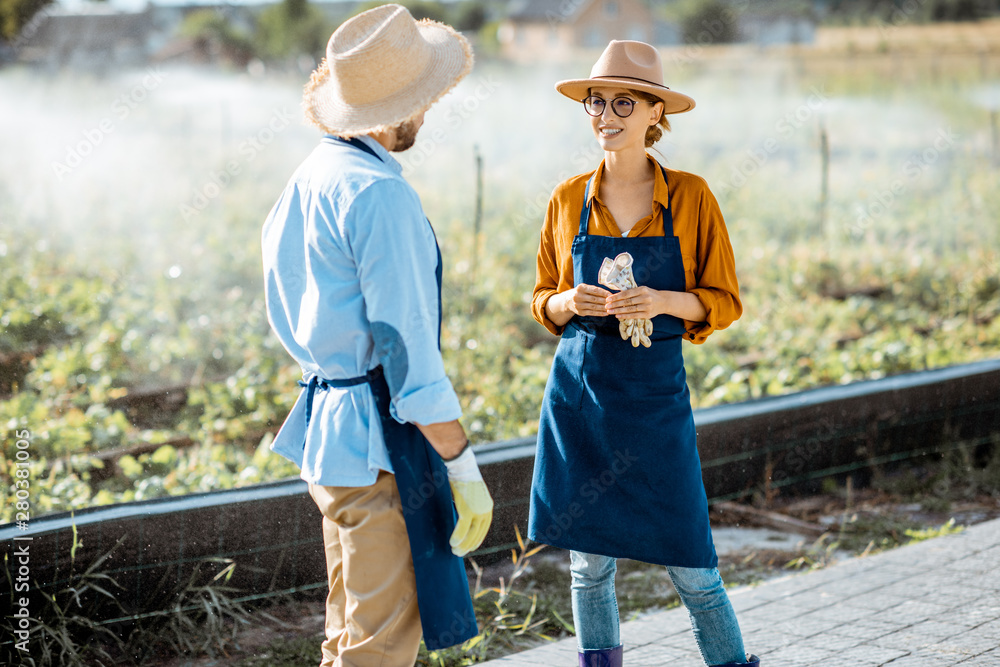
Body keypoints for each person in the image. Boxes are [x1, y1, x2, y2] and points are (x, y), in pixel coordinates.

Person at [261, 5, 493, 666]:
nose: (429, 112)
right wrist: (461, 463)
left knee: (348, 631)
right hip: (380, 449)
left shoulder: (310, 178)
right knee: (381, 645)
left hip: (330, 441)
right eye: (423, 100)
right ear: (398, 109)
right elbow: (408, 353)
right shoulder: (378, 196)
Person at [528, 40, 760, 667]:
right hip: (582, 403)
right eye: (596, 102)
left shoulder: (691, 197)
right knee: (588, 568)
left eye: (622, 103)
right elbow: (542, 301)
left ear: (655, 113)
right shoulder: (566, 198)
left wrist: (661, 300)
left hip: (656, 406)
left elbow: (723, 299)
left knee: (693, 567)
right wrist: (570, 301)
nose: (605, 114)